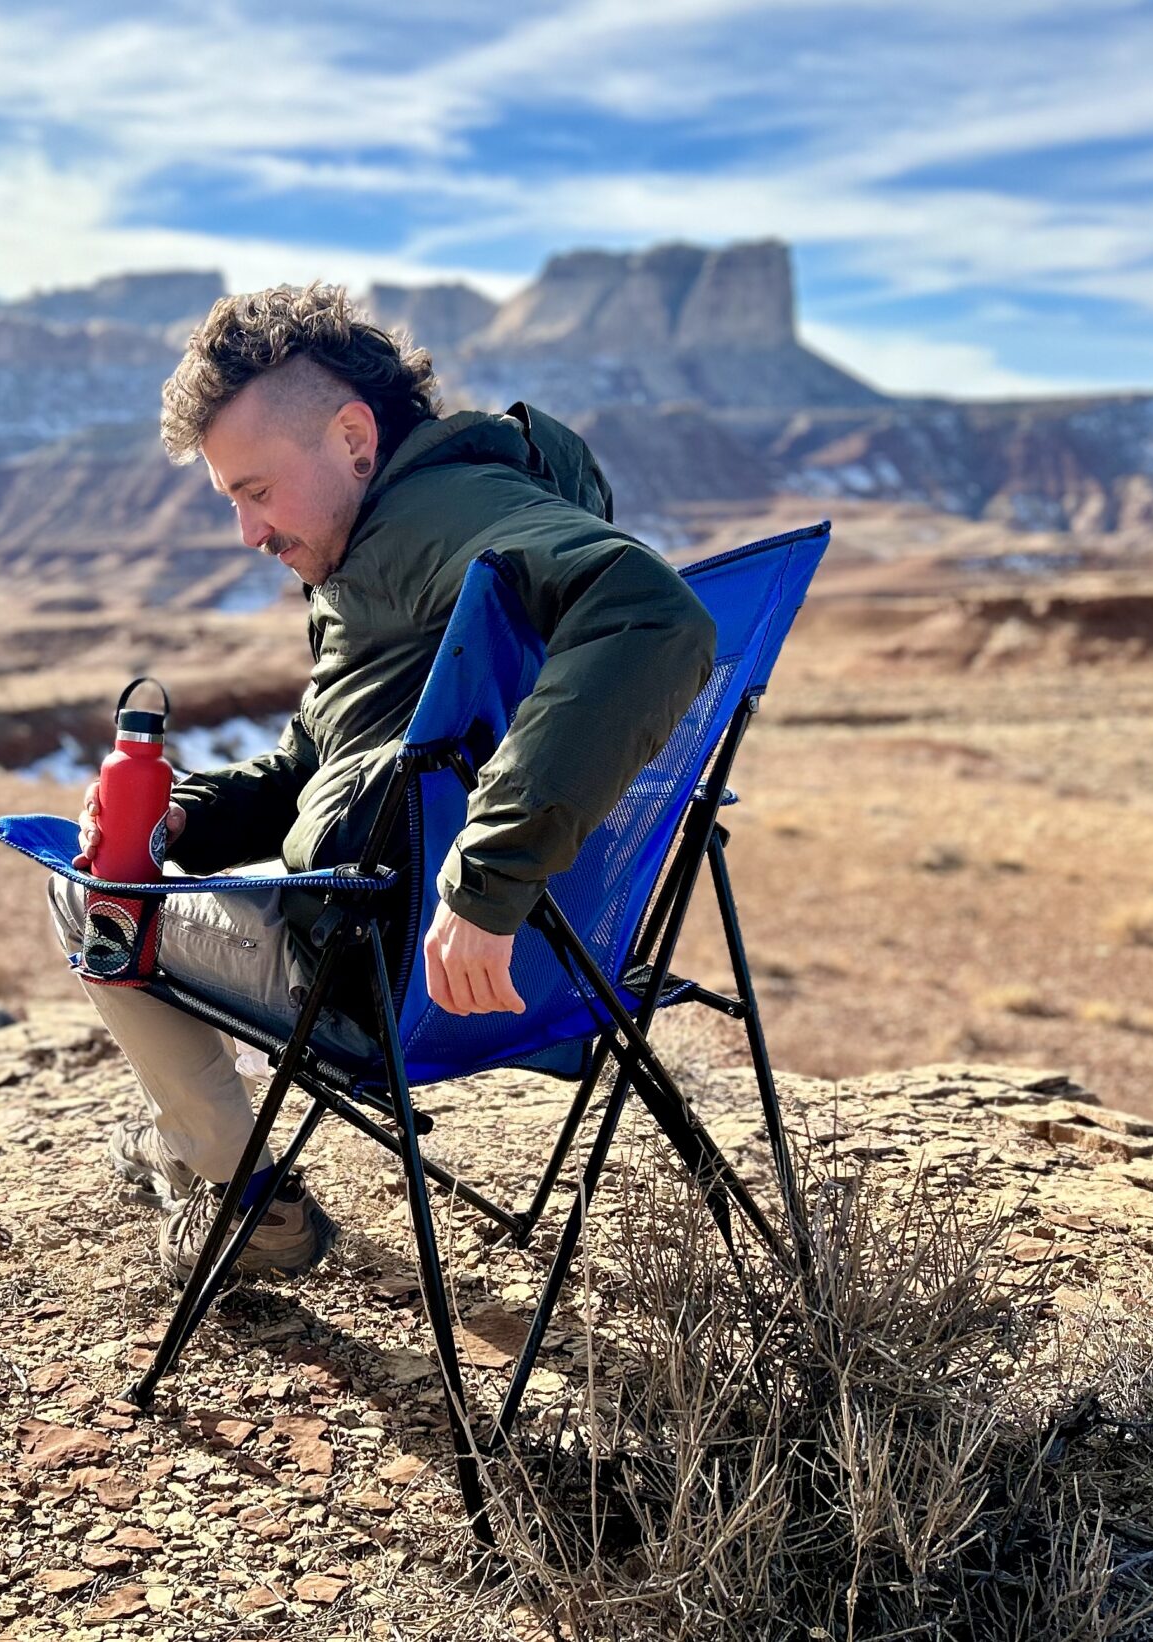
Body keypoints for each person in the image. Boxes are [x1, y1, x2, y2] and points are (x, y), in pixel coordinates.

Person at [47, 281, 720, 1286]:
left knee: (77, 890)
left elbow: (650, 615)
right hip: (569, 966)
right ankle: (184, 1146)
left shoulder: (433, 527)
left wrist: (487, 883)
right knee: (141, 864)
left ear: (354, 439)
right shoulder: (409, 536)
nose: (248, 531)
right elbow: (322, 763)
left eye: (256, 489)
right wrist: (189, 809)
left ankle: (233, 1193)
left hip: (388, 976)